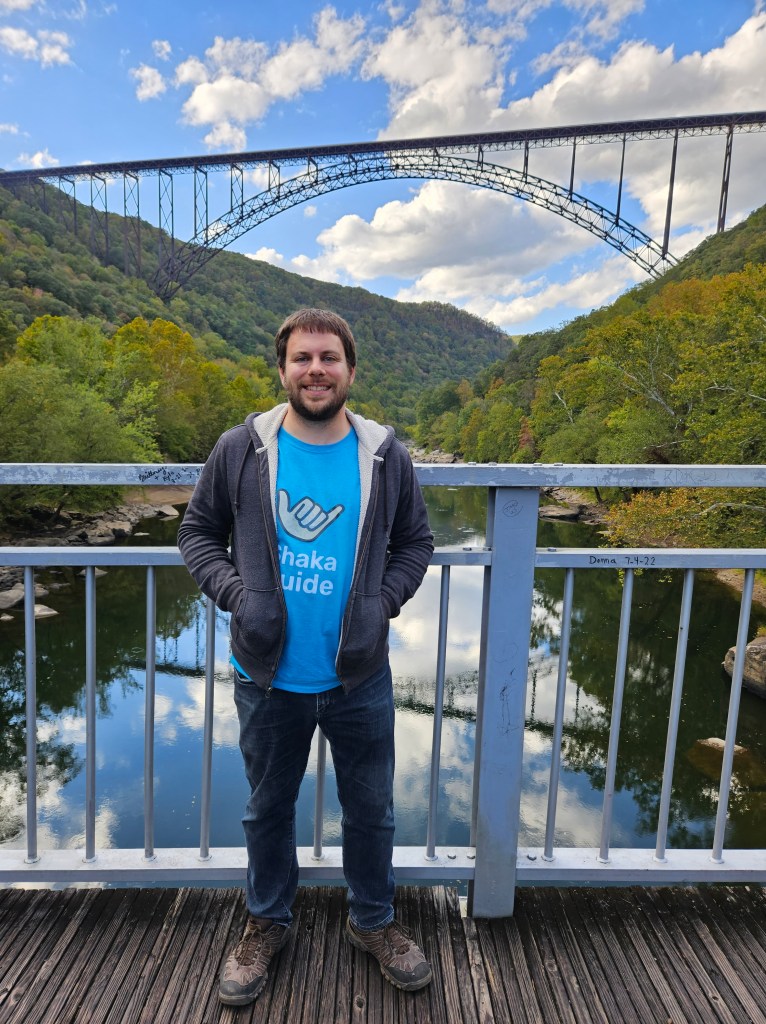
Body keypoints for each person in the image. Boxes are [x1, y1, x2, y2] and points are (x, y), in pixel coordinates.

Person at [177, 308, 434, 1006]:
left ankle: (374, 922)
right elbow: (197, 533)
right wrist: (239, 595)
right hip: (268, 676)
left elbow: (415, 544)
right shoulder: (242, 448)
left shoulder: (384, 454)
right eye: (302, 359)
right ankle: (266, 923)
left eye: (328, 358)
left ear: (351, 370)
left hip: (358, 674)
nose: (315, 370)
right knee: (266, 810)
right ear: (283, 369)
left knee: (372, 809)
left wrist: (381, 603)